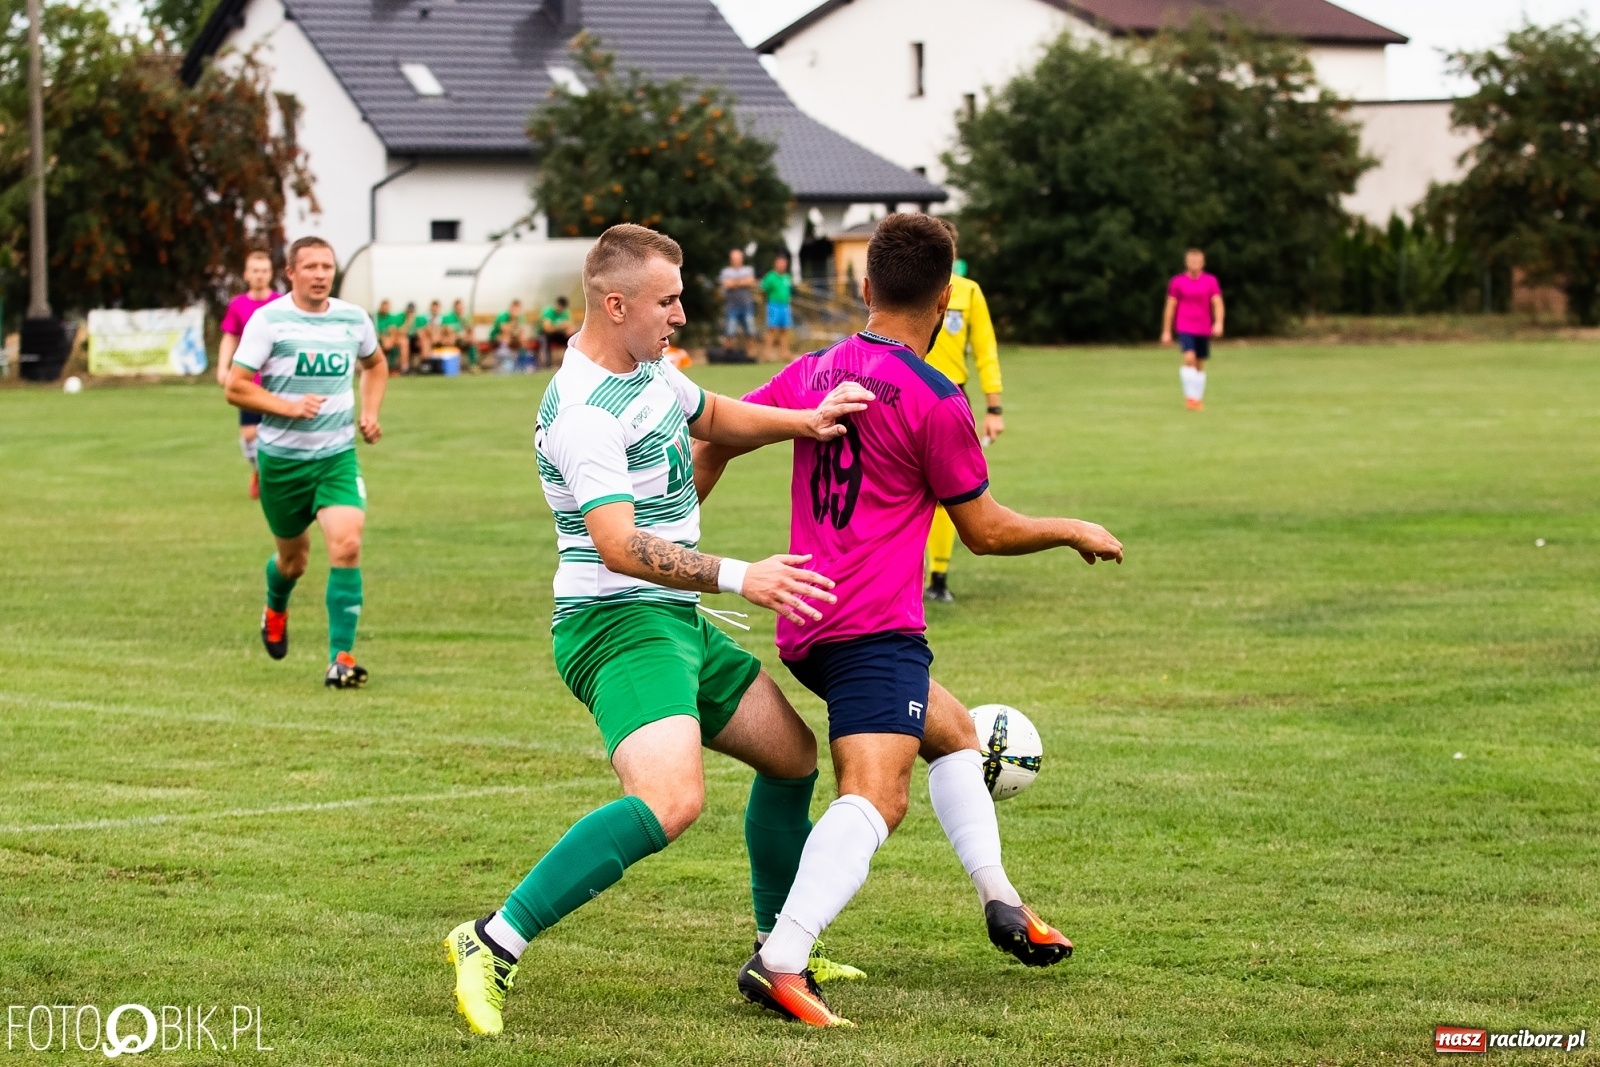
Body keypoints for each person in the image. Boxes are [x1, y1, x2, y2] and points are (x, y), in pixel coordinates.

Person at [442, 224, 876, 1037]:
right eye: (668, 300)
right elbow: (617, 545)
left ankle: (776, 948)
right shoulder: (581, 411)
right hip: (615, 626)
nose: (682, 312)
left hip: (670, 619)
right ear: (616, 304)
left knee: (791, 759)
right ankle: (492, 939)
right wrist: (742, 575)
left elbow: (711, 414)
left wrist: (803, 421)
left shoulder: (647, 371)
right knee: (671, 800)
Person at [695, 213, 1123, 1028]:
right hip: (870, 629)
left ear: (865, 287)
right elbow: (985, 531)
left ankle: (1002, 899)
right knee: (878, 795)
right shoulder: (935, 399)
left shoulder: (815, 368)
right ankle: (781, 959)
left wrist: (682, 515)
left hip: (810, 622)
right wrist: (1072, 529)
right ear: (945, 299)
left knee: (957, 733)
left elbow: (715, 432)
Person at [223, 236, 388, 689]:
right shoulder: (269, 321)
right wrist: (287, 406)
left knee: (347, 544)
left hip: (336, 457)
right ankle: (276, 603)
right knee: (293, 561)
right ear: (291, 274)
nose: (320, 274)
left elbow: (376, 365)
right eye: (310, 266)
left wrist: (369, 412)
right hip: (282, 463)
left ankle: (342, 659)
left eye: (326, 266)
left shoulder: (352, 319)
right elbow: (235, 387)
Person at [923, 218, 1002, 604]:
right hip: (906, 391)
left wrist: (994, 406)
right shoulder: (911, 288)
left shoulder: (969, 293)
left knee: (948, 496)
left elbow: (985, 350)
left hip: (953, 397)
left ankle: (937, 576)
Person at [215, 249, 281, 500]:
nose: (260, 276)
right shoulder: (238, 305)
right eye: (255, 271)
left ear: (271, 274)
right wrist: (223, 368)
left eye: (264, 271)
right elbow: (230, 337)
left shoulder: (280, 303)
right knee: (250, 435)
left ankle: (275, 477)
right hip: (248, 382)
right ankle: (259, 471)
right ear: (246, 274)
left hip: (277, 380)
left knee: (278, 431)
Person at [1160, 248, 1225, 410]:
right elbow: (1170, 307)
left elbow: (1217, 303)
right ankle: (1191, 398)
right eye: (1191, 261)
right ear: (1186, 263)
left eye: (1198, 261)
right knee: (1189, 358)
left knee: (1199, 364)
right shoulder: (1177, 282)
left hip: (1203, 326)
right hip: (1185, 325)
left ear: (1203, 263)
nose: (1195, 264)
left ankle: (1197, 398)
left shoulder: (1210, 281)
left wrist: (1218, 323)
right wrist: (1166, 331)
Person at [719, 249, 757, 348]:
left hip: (747, 305)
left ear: (742, 259)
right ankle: (727, 355)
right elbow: (727, 284)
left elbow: (751, 282)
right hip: (732, 306)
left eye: (738, 258)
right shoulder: (726, 271)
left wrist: (734, 283)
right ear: (731, 259)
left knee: (750, 332)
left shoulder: (748, 269)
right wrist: (742, 282)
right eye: (734, 258)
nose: (736, 260)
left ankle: (751, 356)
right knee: (729, 331)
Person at [761, 253, 795, 363]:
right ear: (776, 264)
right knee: (771, 330)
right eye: (780, 263)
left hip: (785, 306)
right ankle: (767, 354)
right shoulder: (770, 277)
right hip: (773, 305)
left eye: (784, 263)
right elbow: (763, 290)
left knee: (784, 330)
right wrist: (766, 303)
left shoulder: (787, 277)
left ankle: (784, 353)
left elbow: (789, 292)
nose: (782, 265)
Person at [490, 299, 529, 371]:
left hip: (512, 337)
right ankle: (505, 363)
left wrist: (520, 337)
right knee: (505, 337)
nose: (516, 311)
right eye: (514, 308)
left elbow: (522, 331)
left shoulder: (520, 317)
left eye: (518, 309)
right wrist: (514, 320)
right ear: (511, 308)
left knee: (522, 339)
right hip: (496, 337)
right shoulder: (503, 316)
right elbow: (504, 330)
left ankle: (522, 363)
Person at [539, 296, 573, 368]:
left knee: (571, 338)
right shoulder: (548, 311)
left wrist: (567, 329)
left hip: (559, 334)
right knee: (545, 339)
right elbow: (547, 329)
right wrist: (561, 326)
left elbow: (570, 328)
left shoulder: (565, 312)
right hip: (547, 335)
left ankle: (569, 362)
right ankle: (547, 364)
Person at [374, 299, 407, 372]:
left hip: (391, 339)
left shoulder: (392, 317)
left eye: (387, 307)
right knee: (387, 342)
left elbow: (394, 330)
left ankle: (404, 368)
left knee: (404, 341)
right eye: (384, 307)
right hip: (380, 339)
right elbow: (377, 332)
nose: (385, 308)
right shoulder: (375, 318)